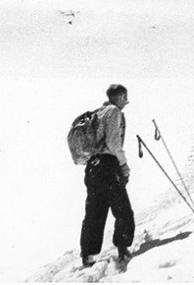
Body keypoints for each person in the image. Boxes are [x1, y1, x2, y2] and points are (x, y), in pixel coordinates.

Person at [80, 84, 135, 268]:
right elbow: (113, 142)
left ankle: (88, 254)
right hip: (108, 166)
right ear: (119, 96)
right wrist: (124, 164)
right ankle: (123, 249)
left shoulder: (99, 112)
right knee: (122, 209)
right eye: (125, 96)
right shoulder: (113, 112)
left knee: (94, 211)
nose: (127, 100)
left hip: (93, 167)